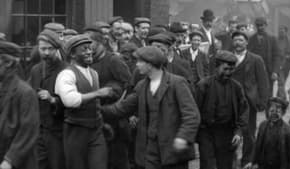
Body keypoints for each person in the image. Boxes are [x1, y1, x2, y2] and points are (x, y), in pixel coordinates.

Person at [101, 46, 200, 169]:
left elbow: (192, 115)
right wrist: (97, 110)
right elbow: (122, 108)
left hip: (172, 149)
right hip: (149, 149)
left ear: (150, 64)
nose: (137, 65)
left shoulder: (177, 83)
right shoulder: (141, 86)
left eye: (140, 62)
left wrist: (183, 137)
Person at [55, 34, 112, 169]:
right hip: (76, 130)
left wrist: (102, 123)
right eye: (84, 49)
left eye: (90, 48)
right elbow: (70, 101)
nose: (89, 52)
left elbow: (95, 105)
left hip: (96, 129)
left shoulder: (93, 73)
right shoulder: (66, 74)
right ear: (73, 55)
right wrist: (97, 93)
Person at [195, 50, 249, 169]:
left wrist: (238, 132)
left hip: (227, 134)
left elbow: (243, 111)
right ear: (216, 67)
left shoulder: (236, 87)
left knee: (225, 165)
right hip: (207, 133)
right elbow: (195, 112)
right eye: (225, 69)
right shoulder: (203, 85)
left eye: (231, 69)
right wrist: (198, 135)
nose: (228, 73)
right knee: (208, 165)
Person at [90, 29, 132, 169]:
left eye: (91, 43)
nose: (88, 47)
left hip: (115, 120)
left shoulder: (113, 60)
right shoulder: (87, 62)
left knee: (117, 160)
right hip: (95, 118)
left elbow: (129, 85)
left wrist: (113, 93)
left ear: (101, 43)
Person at [28, 29, 66, 169]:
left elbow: (74, 103)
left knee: (57, 165)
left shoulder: (66, 70)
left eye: (50, 49)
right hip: (38, 130)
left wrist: (53, 100)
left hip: (58, 130)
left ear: (57, 49)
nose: (46, 53)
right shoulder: (36, 70)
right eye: (43, 49)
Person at [230, 31, 269, 167]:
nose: (238, 43)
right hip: (230, 101)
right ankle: (231, 159)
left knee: (249, 133)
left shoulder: (256, 59)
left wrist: (263, 101)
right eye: (235, 40)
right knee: (230, 130)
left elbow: (263, 82)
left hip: (248, 102)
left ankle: (247, 160)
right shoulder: (227, 58)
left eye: (241, 40)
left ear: (246, 43)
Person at [0, 40, 40, 169]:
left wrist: (9, 160)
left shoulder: (25, 92)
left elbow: (28, 131)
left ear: (8, 62)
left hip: (18, 162)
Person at [244, 97, 290, 169]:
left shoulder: (289, 133)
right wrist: (251, 161)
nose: (274, 114)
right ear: (268, 111)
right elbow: (257, 146)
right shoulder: (263, 126)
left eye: (278, 112)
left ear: (283, 113)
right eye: (272, 111)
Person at [248, 17, 282, 96]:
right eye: (258, 25)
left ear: (266, 25)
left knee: (268, 91)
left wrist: (275, 71)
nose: (260, 28)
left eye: (262, 25)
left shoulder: (272, 39)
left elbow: (276, 56)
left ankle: (268, 107)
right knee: (254, 91)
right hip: (254, 70)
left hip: (268, 70)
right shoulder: (251, 39)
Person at [277, 25, 290, 99]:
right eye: (280, 30)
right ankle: (283, 98)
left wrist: (289, 57)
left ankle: (278, 97)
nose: (281, 32)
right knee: (281, 82)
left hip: (287, 65)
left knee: (283, 82)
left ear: (286, 32)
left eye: (282, 30)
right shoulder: (275, 40)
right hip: (278, 64)